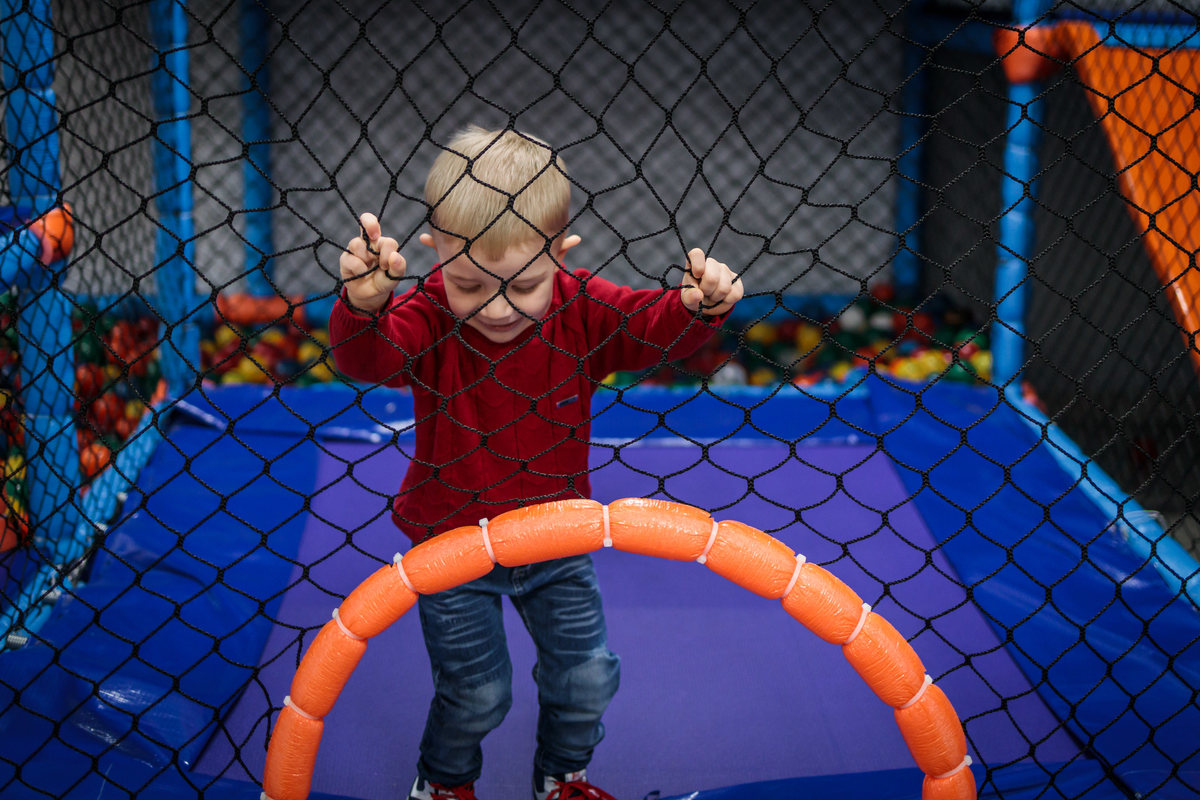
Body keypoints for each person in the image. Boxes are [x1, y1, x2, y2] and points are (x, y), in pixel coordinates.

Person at [330, 126, 743, 800]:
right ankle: (442, 784)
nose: (495, 307)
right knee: (479, 693)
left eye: (523, 283)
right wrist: (363, 306)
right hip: (452, 543)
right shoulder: (431, 312)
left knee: (588, 675)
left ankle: (561, 779)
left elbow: (648, 326)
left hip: (558, 539)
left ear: (560, 252)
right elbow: (368, 359)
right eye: (469, 282)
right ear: (436, 252)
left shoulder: (580, 305)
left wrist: (699, 308)